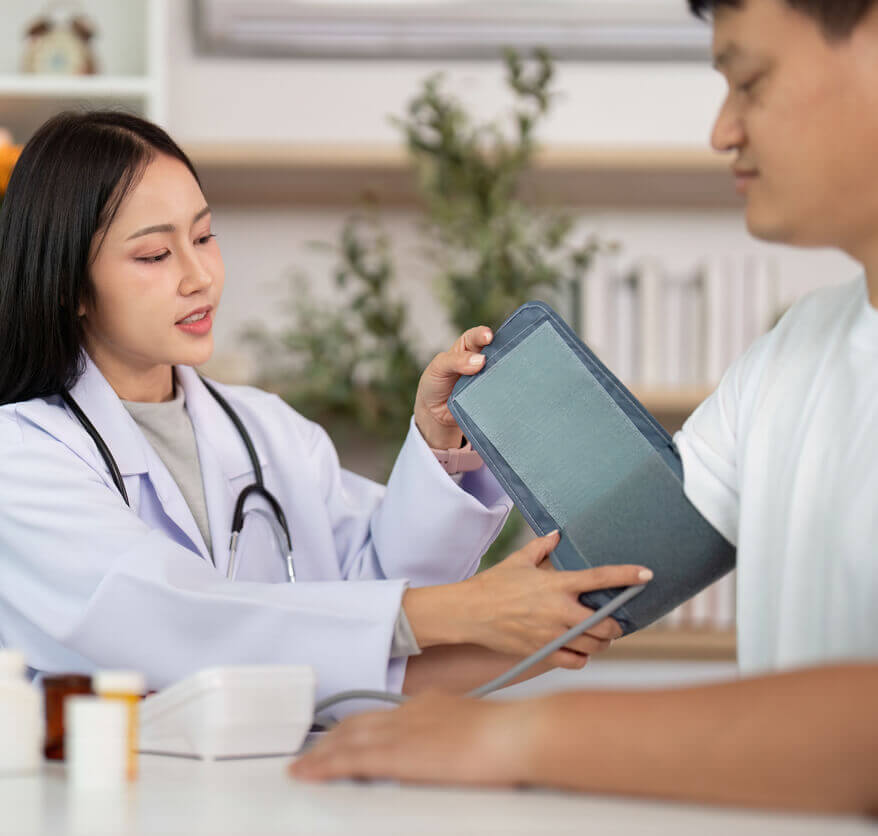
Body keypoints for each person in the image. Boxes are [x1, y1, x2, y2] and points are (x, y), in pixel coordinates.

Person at [292, 0, 878, 814]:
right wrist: (335, 699)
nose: (722, 131)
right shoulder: (796, 353)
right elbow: (611, 582)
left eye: (750, 81)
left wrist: (518, 739)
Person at [0, 110, 651, 704]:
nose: (199, 276)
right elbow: (167, 623)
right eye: (155, 256)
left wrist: (440, 448)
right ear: (71, 286)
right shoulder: (16, 451)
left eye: (206, 236)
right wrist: (466, 614)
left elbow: (380, 602)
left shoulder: (267, 432)